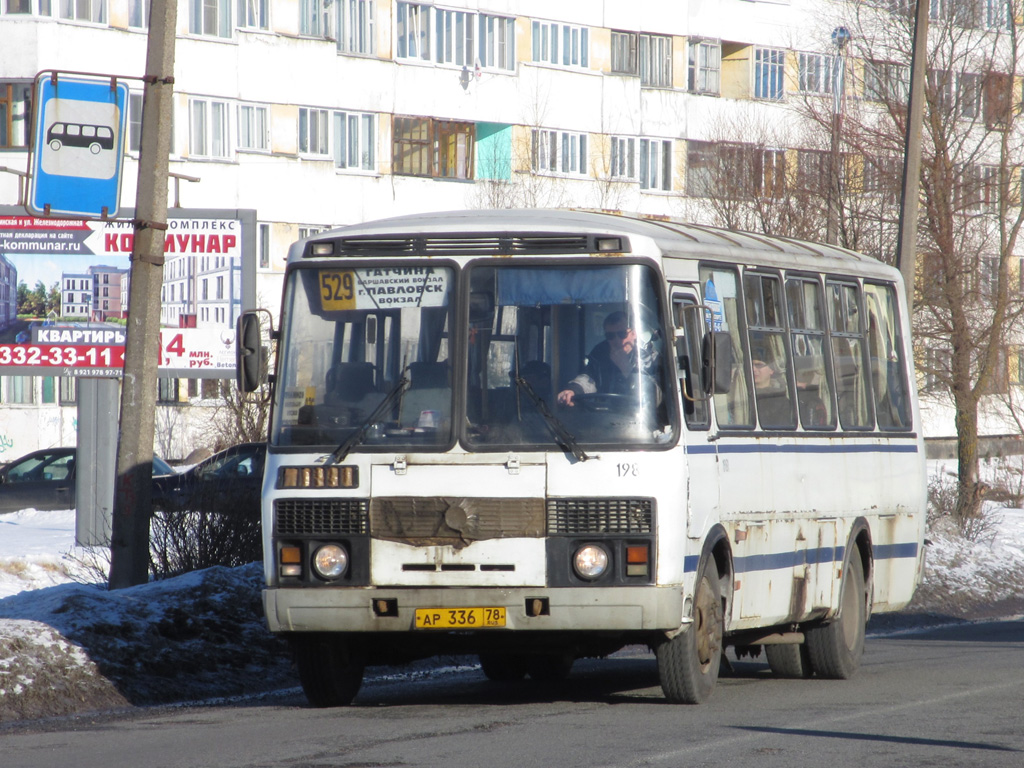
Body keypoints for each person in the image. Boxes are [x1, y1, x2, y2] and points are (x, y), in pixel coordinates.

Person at [557, 311, 660, 407]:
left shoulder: (648, 355)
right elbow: (589, 378)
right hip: (605, 416)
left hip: (640, 416)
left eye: (622, 334)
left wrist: (626, 368)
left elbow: (654, 395)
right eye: (610, 336)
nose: (616, 340)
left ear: (634, 333)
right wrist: (573, 390)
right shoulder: (600, 352)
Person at [751, 346, 794, 428]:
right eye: (751, 365)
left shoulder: (781, 400)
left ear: (771, 370)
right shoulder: (742, 397)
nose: (753, 369)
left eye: (759, 365)